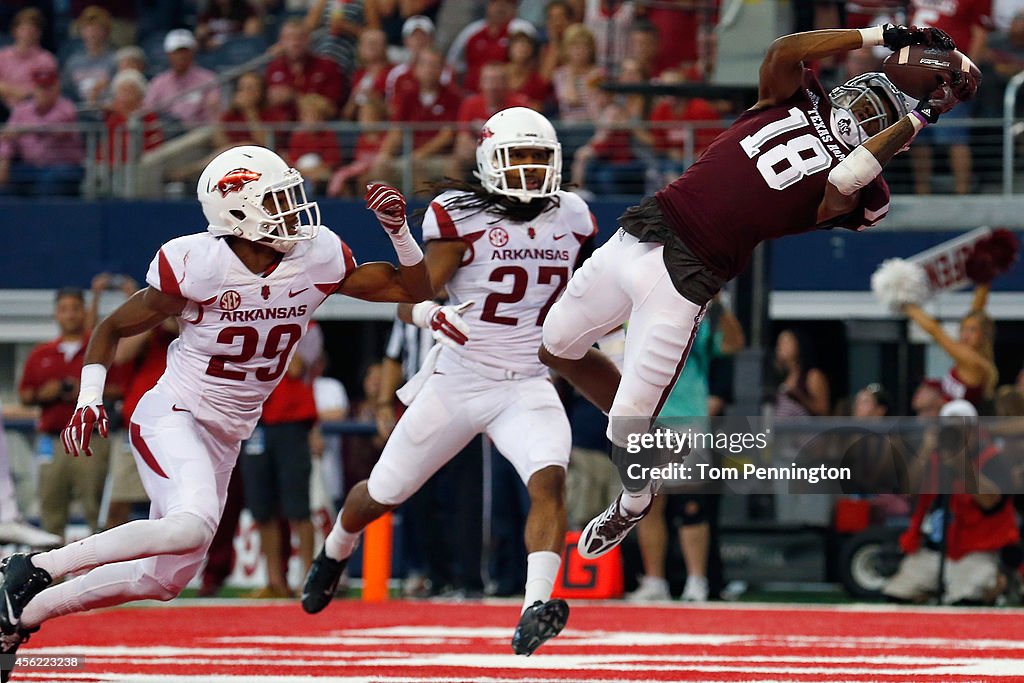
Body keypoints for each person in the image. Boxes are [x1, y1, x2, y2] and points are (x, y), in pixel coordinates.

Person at [538, 24, 972, 560]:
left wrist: (920, 117)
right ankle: (637, 424)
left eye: (878, 111)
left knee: (628, 420)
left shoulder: (867, 185)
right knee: (555, 344)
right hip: (644, 229)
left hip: (686, 275)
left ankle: (634, 499)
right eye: (866, 92)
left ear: (891, 135)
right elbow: (783, 49)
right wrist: (875, 32)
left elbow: (847, 180)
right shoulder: (796, 95)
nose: (862, 107)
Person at [0, 145, 432, 680]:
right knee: (192, 524)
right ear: (238, 212)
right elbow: (112, 327)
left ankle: (19, 613)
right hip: (174, 412)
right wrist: (89, 398)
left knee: (165, 580)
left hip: (227, 432)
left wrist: (398, 233)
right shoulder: (198, 263)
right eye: (276, 200)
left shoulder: (316, 253)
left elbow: (415, 287)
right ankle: (31, 568)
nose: (294, 210)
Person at [302, 107, 596, 657]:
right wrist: (427, 315)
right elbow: (411, 294)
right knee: (384, 493)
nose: (531, 170)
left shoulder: (574, 216)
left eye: (539, 158)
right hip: (459, 380)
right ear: (490, 162)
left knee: (549, 482)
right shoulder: (461, 214)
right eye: (519, 158)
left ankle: (535, 606)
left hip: (529, 381)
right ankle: (336, 547)